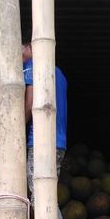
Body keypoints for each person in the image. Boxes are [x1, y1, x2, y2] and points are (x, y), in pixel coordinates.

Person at [23, 41, 68, 198]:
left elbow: (29, 104)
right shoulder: (59, 73)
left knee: (40, 199)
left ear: (29, 46)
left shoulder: (31, 65)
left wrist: (15, 131)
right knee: (47, 198)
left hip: (40, 142)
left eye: (20, 50)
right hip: (58, 143)